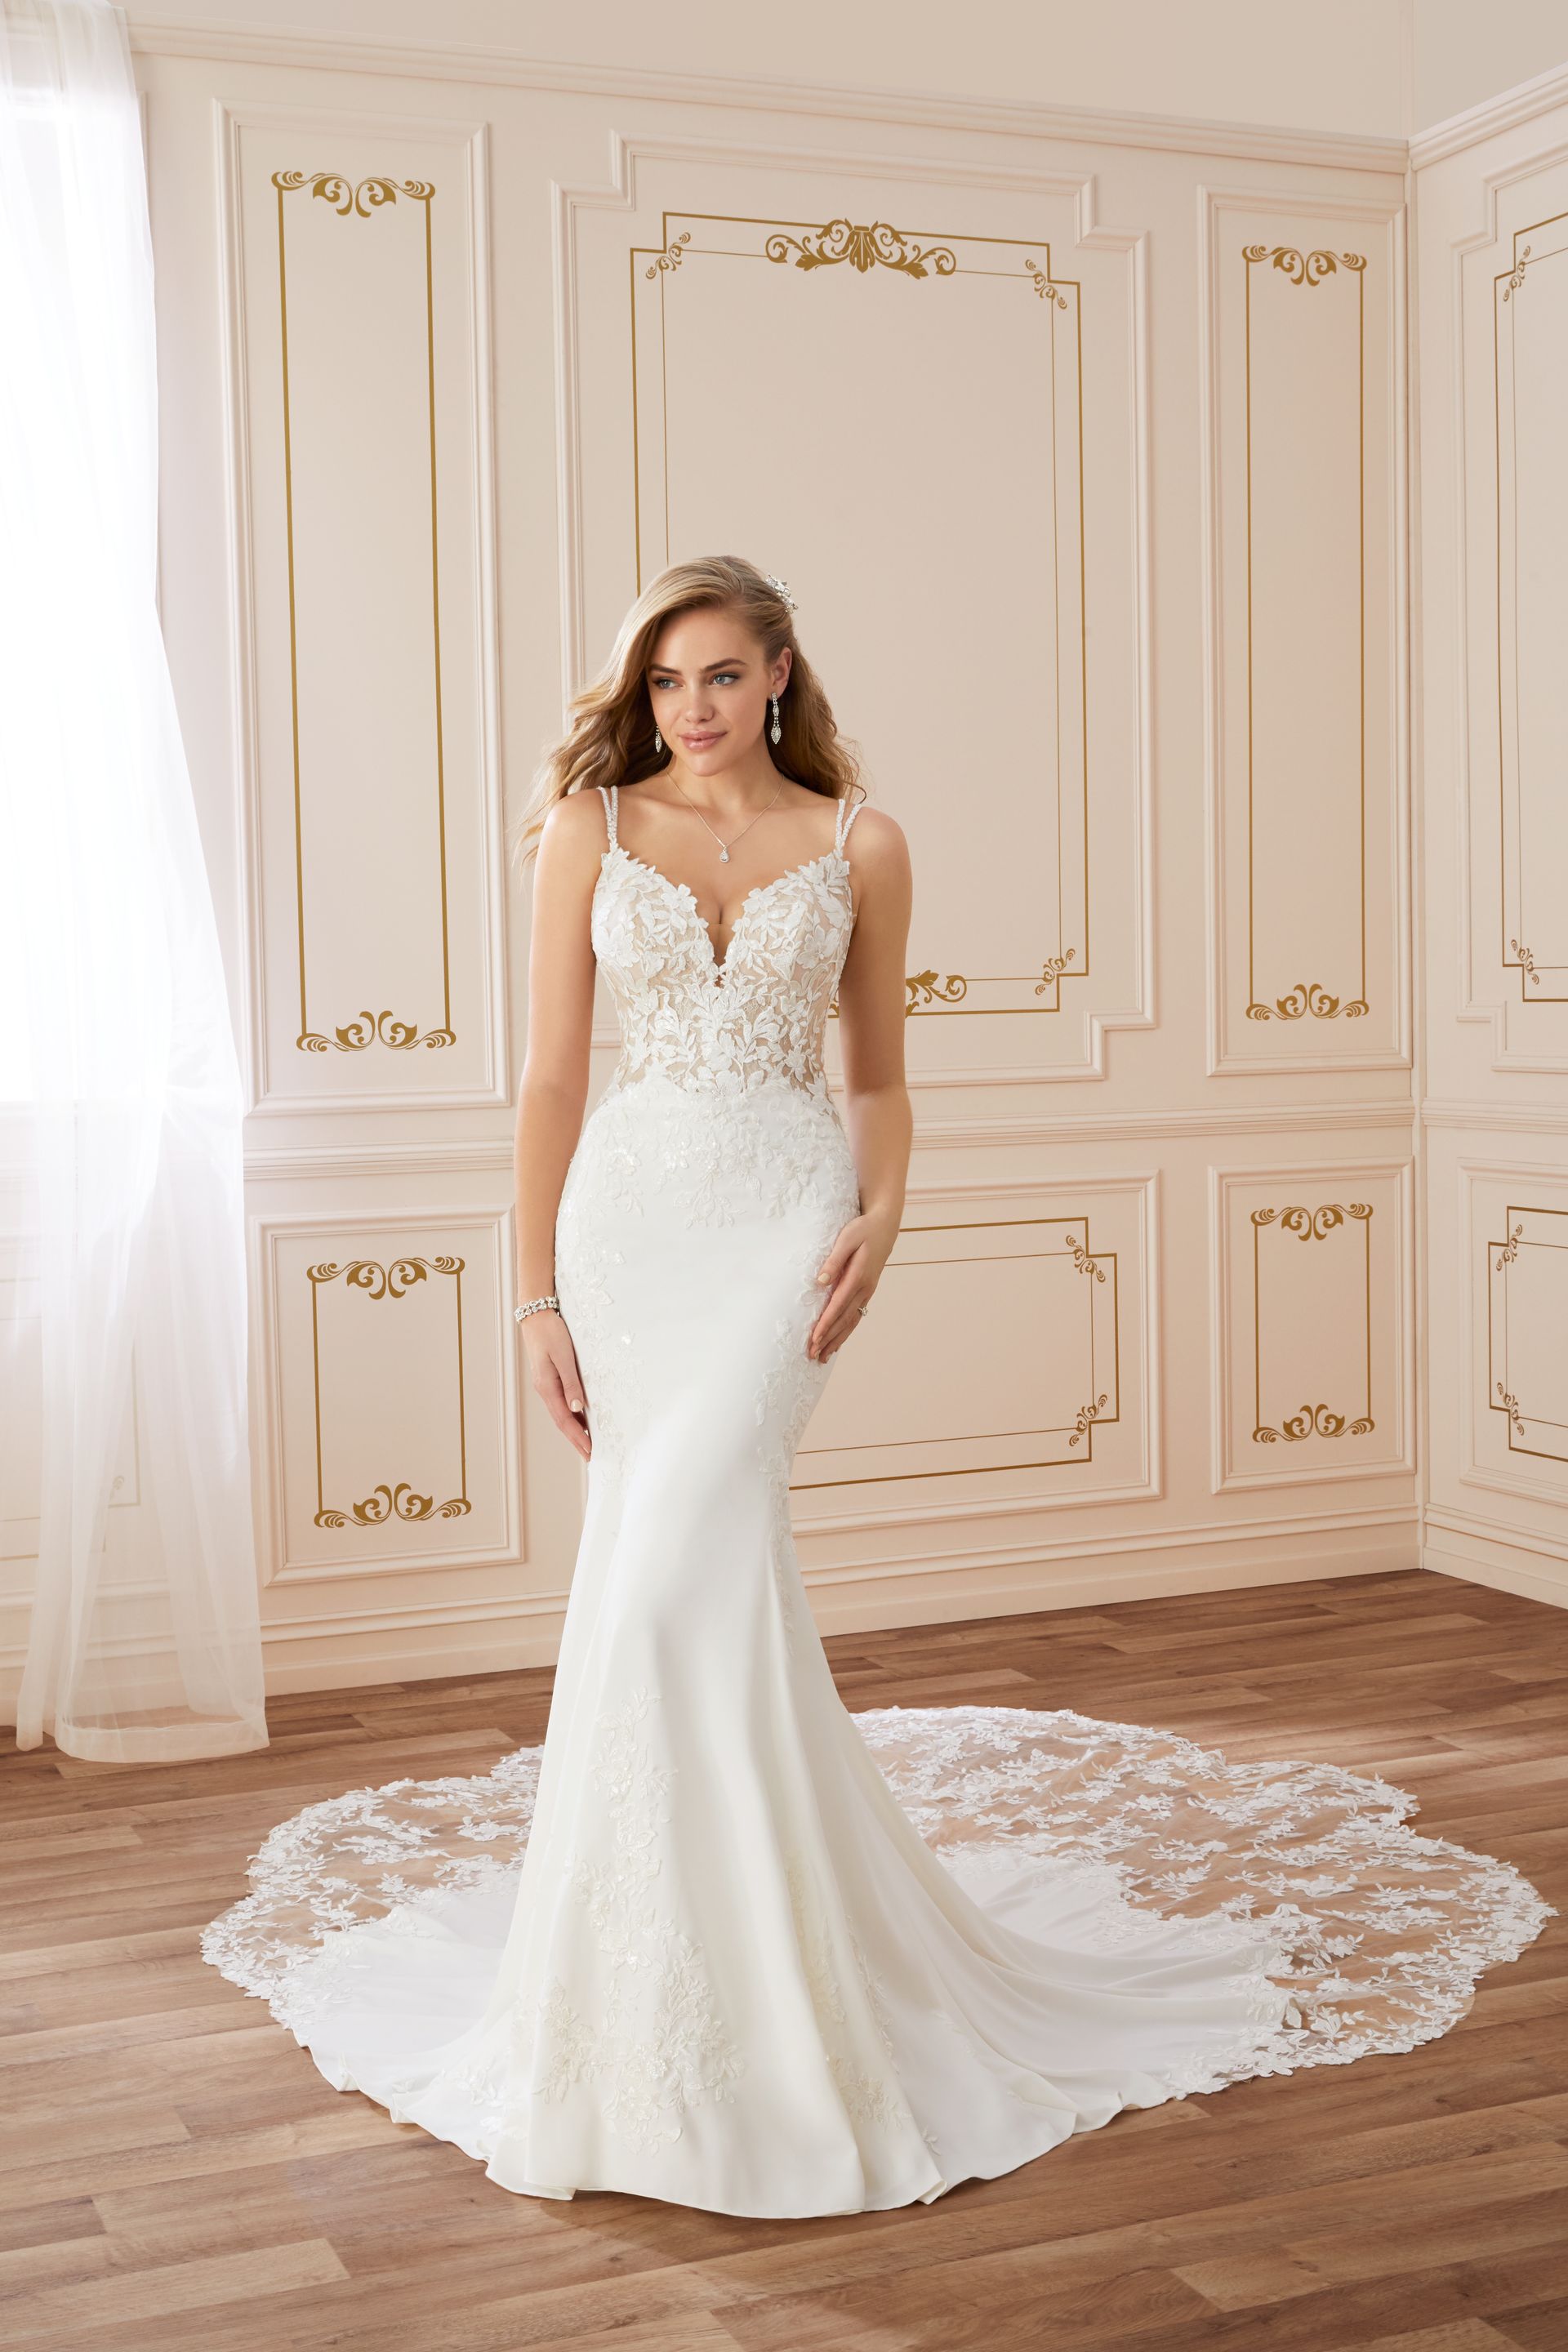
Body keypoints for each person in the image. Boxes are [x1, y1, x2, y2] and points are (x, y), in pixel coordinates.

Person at [203, 557, 1552, 2218]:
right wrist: (533, 1293)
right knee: (657, 1584)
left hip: (782, 1221)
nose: (686, 710)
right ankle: (653, 1980)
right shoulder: (590, 827)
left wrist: (885, 1216)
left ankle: (769, 1980)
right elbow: (553, 1076)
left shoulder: (861, 844)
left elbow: (880, 1075)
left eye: (715, 676)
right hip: (626, 1228)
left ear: (778, 674)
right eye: (663, 682)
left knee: (691, 1550)